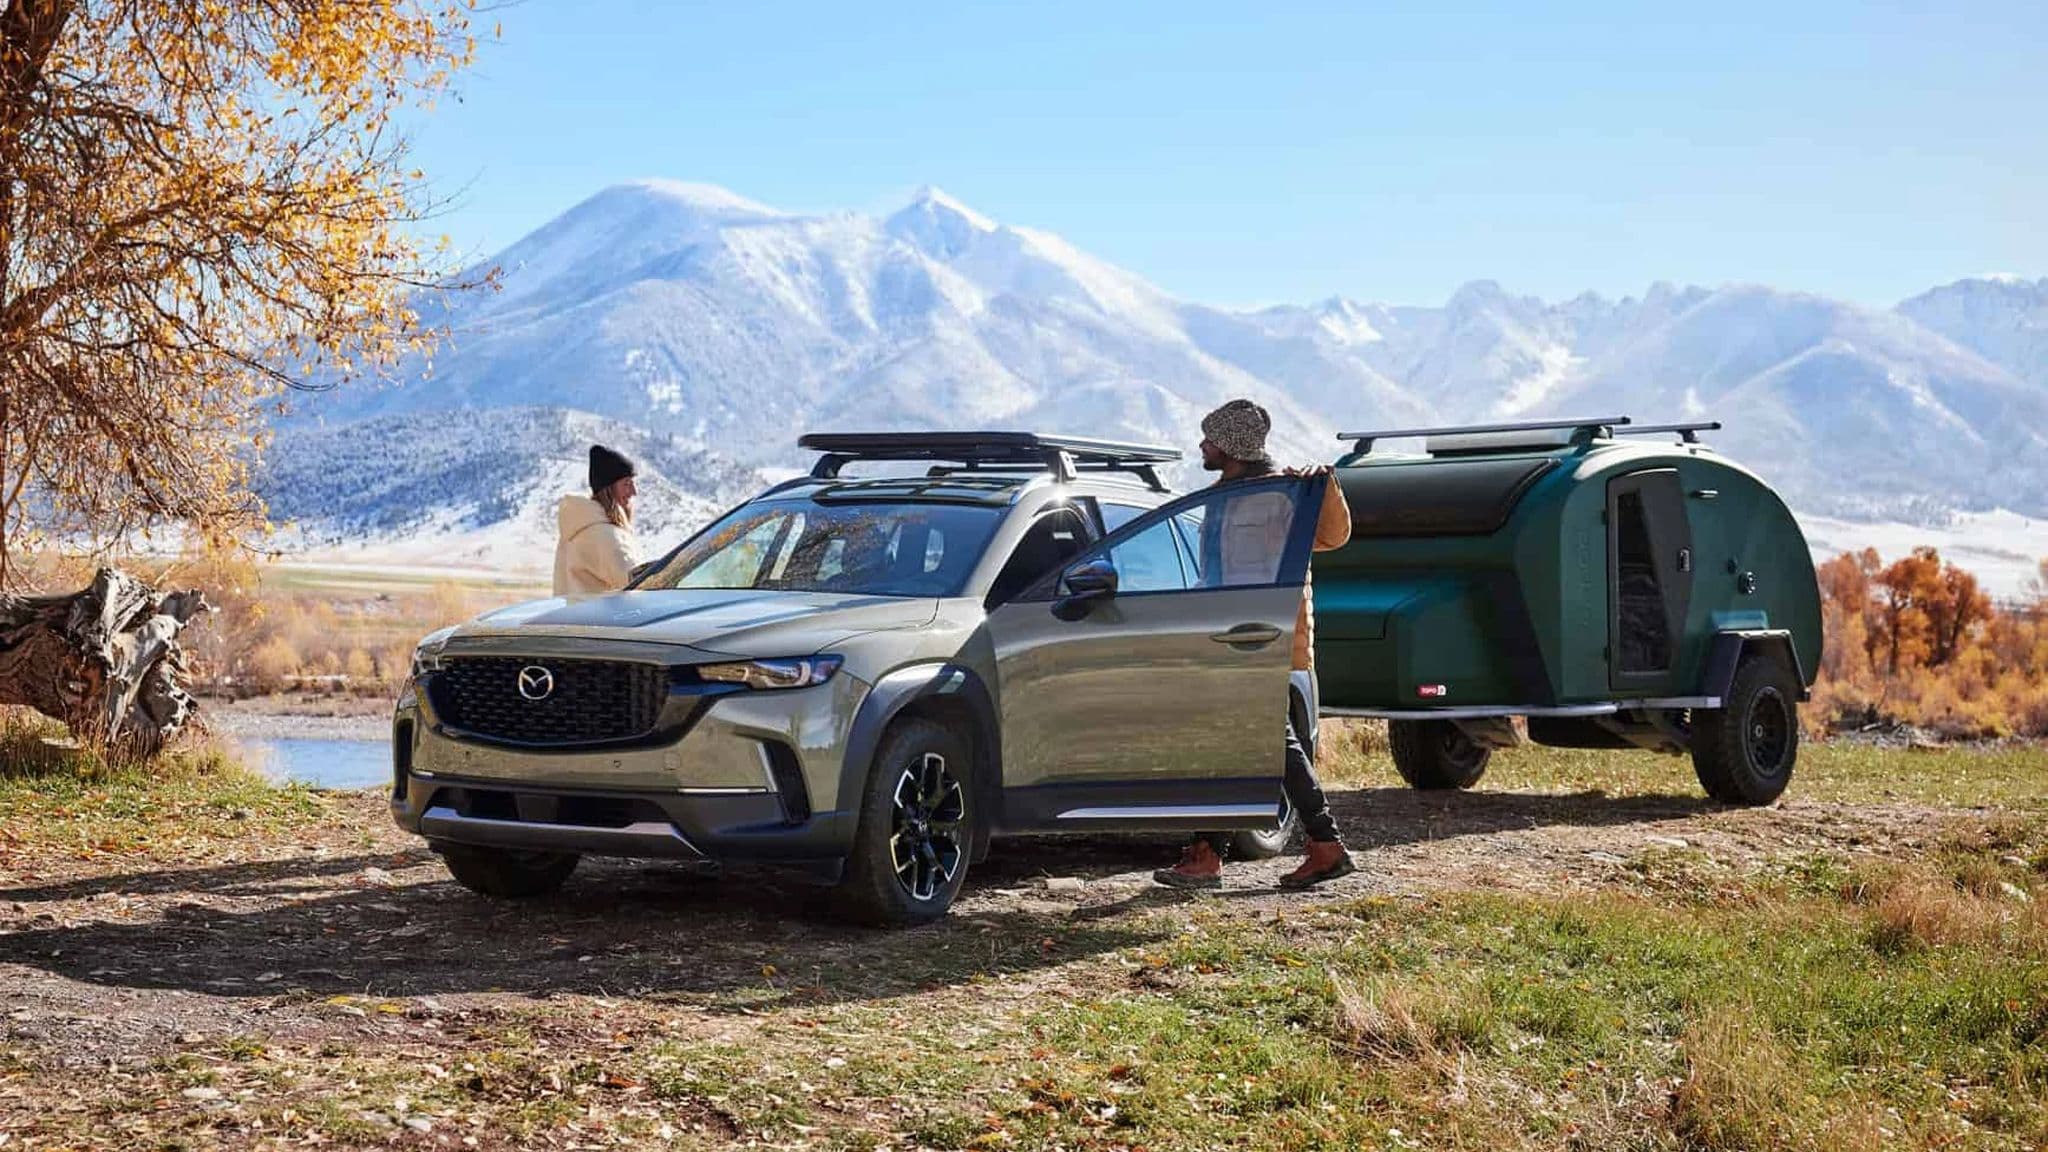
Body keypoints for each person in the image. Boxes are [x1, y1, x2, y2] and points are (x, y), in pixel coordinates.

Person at [1154, 399, 1358, 891]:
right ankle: (1216, 854)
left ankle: (1321, 845)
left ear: (1234, 446)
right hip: (1227, 637)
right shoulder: (1220, 495)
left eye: (1211, 438)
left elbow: (1334, 536)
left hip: (1267, 638)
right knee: (1244, 741)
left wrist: (1323, 485)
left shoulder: (1286, 492)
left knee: (1269, 740)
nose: (1202, 445)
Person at [553, 444, 639, 595]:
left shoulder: (579, 526)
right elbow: (638, 584)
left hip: (576, 616)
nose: (634, 491)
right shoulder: (604, 535)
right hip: (601, 618)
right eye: (626, 484)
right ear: (609, 488)